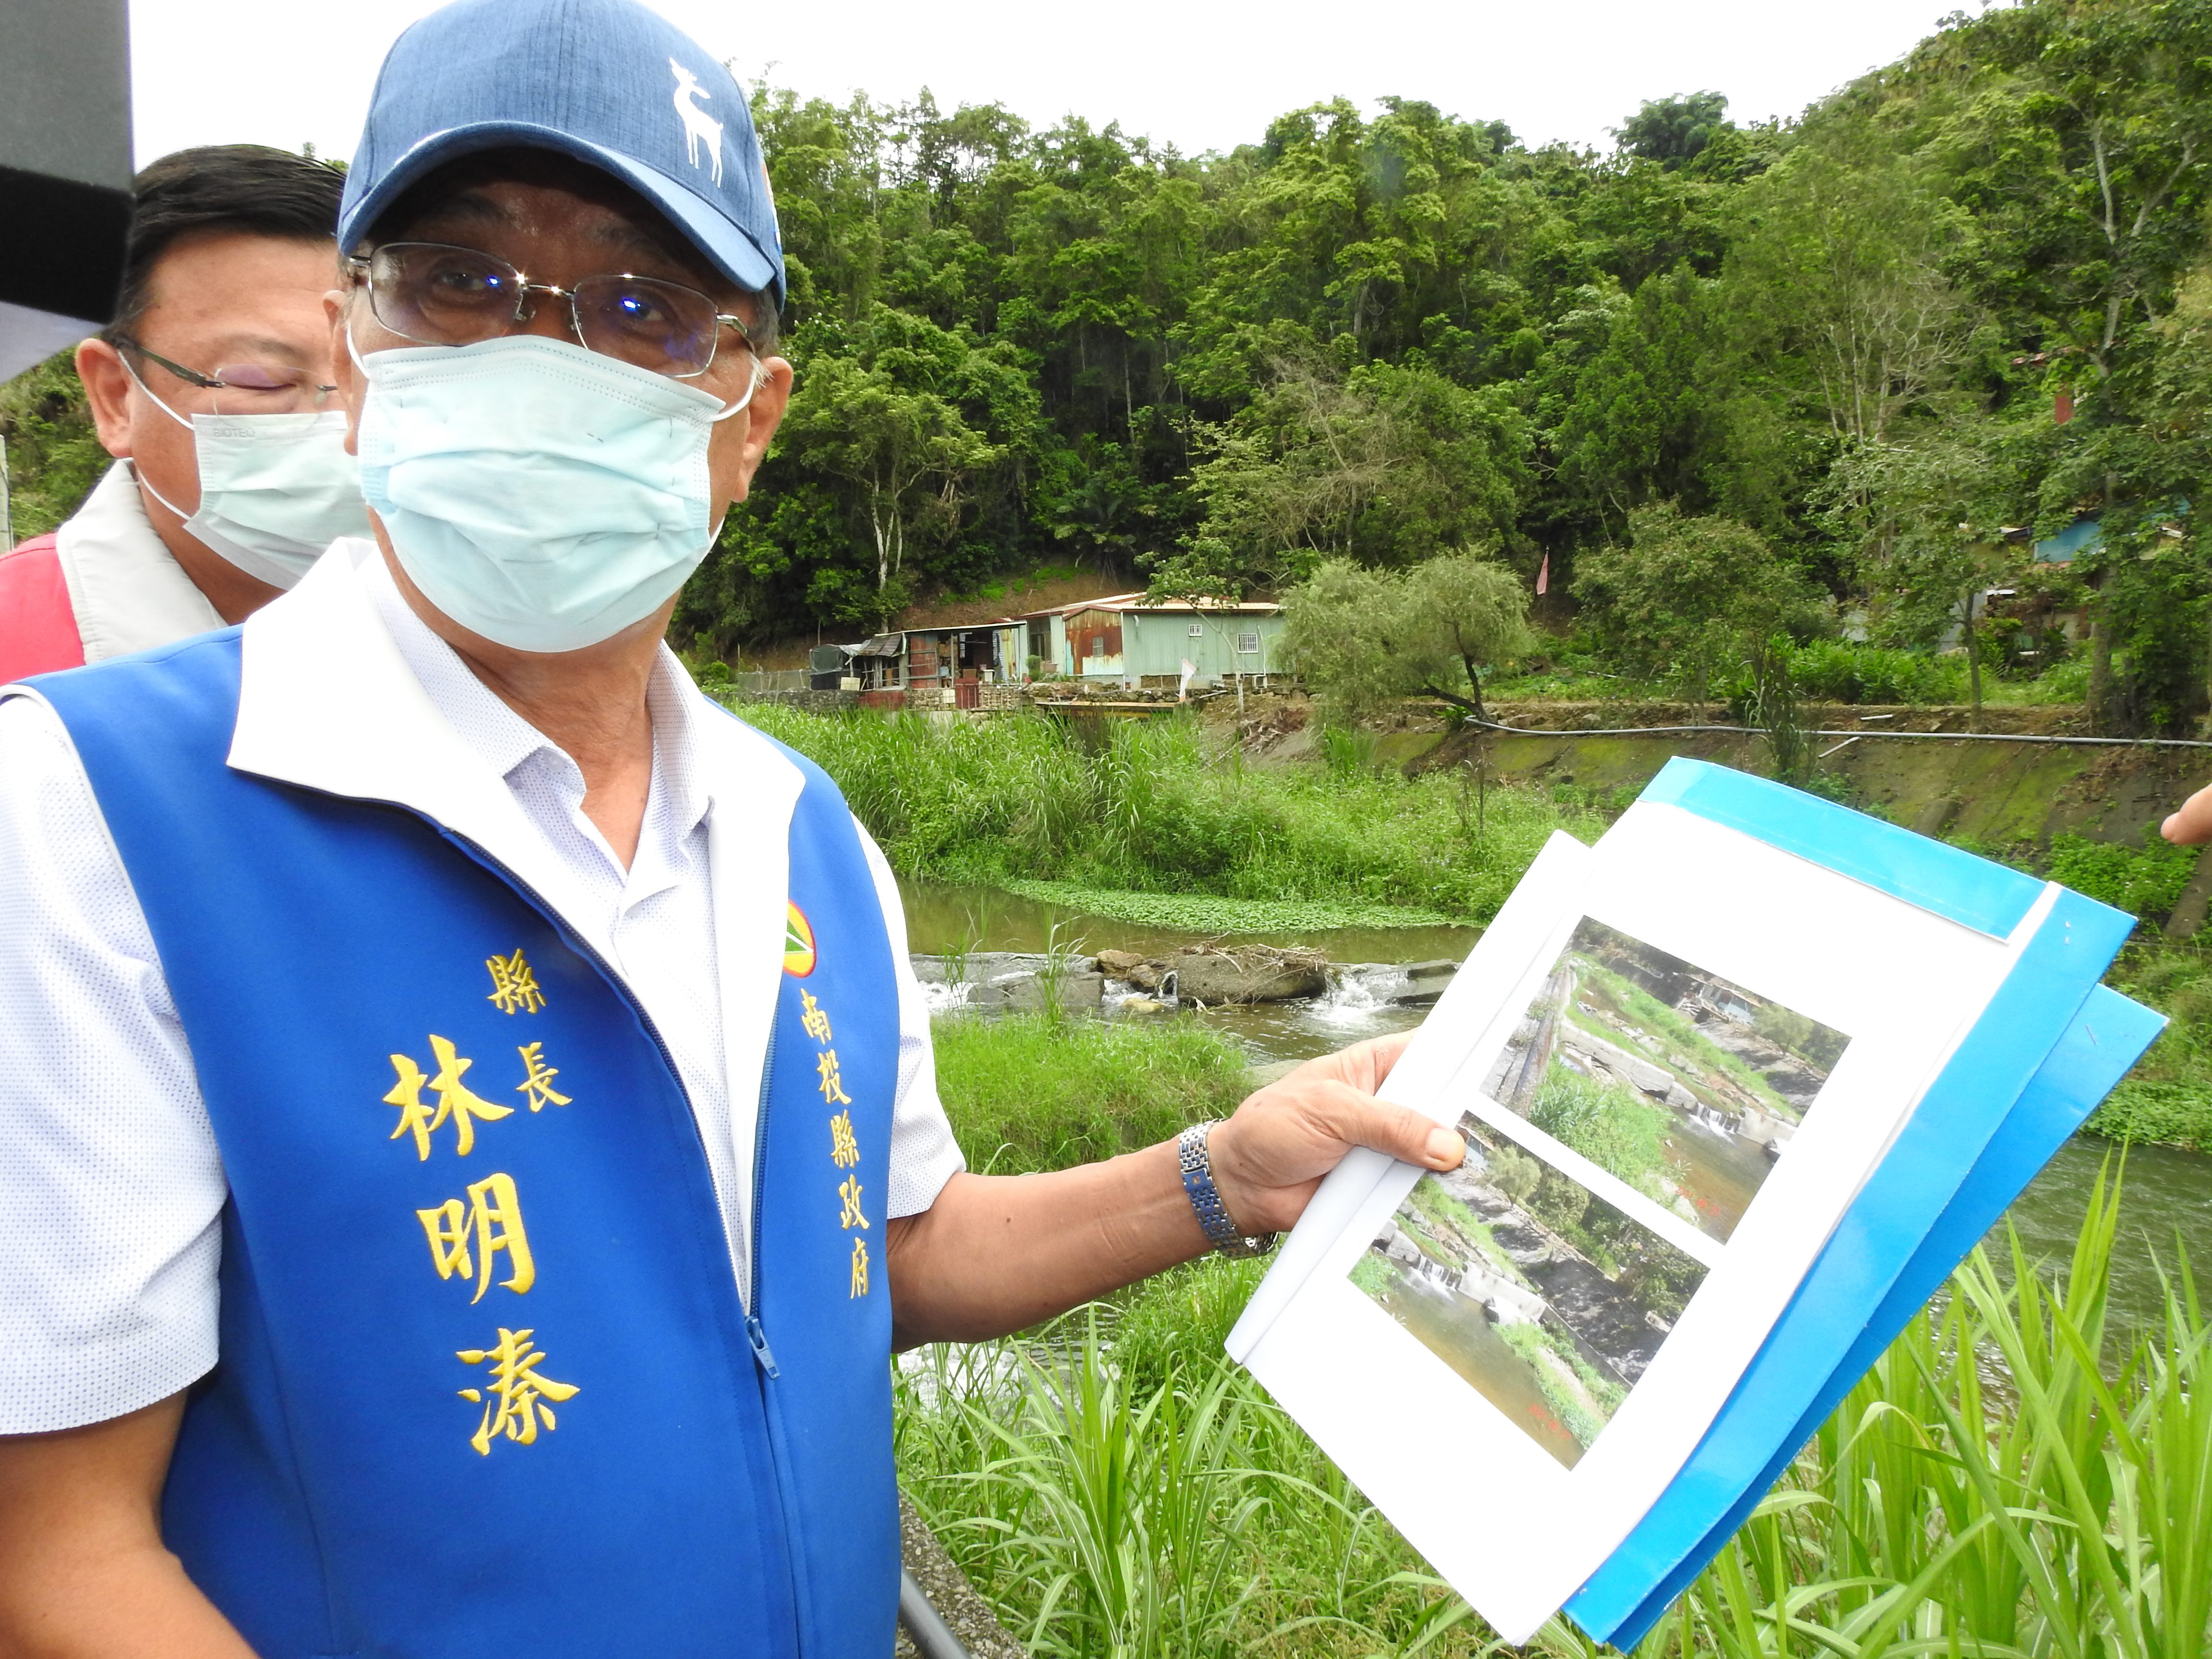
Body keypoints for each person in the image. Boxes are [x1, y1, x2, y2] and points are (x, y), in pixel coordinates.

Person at [0, 4, 1461, 1655]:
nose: (547, 357)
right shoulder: (93, 814)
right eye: (462, 281)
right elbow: (56, 1558)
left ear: (749, 421)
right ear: (353, 355)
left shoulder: (800, 827)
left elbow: (890, 1249)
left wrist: (1219, 1173)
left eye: (644, 307)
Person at [0, 146, 366, 682]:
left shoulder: (477, 628)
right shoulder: (18, 661)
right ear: (116, 396)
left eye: (371, 376)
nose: (348, 427)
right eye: (263, 382)